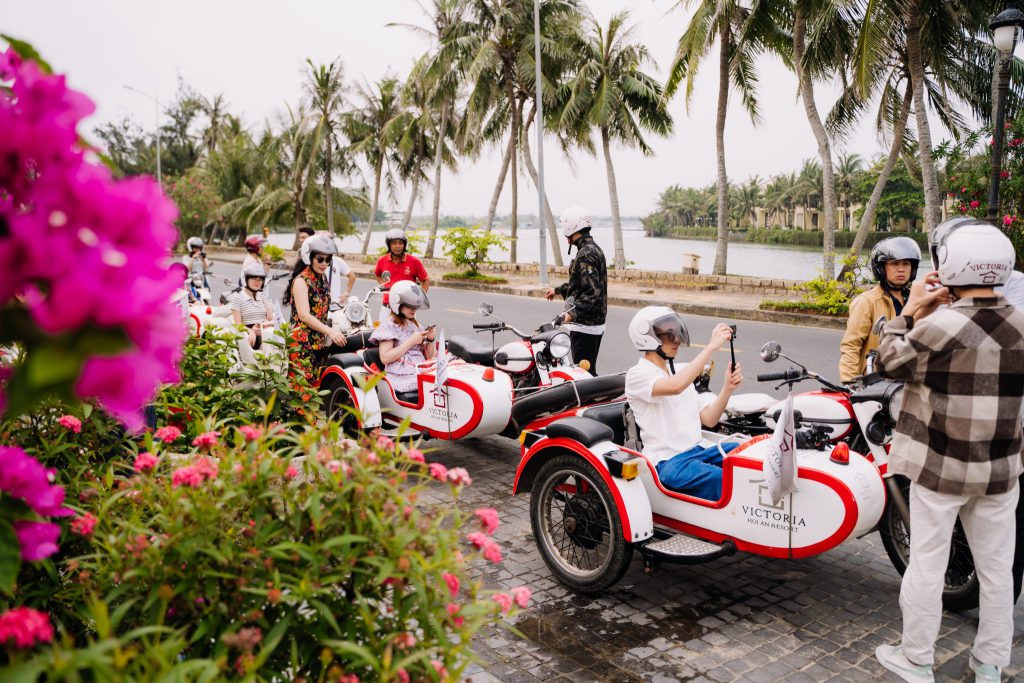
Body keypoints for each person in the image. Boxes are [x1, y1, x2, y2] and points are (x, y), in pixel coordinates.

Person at [873, 219, 1024, 683]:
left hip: (941, 469)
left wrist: (911, 309)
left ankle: (916, 658)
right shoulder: (1022, 321)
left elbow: (886, 361)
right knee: (997, 571)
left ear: (951, 266)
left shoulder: (941, 325)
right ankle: (990, 663)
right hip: (1000, 471)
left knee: (928, 563)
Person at [624, 306, 744, 501]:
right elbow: (675, 386)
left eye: (677, 332)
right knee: (722, 479)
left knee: (748, 455)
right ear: (648, 338)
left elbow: (709, 419)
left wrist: (727, 388)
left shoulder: (680, 371)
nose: (677, 340)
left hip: (701, 449)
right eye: (669, 334)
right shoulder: (637, 375)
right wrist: (710, 347)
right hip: (669, 461)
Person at [838, 236, 920, 383]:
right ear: (881, 268)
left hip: (909, 381)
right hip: (877, 383)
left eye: (906, 264)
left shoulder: (917, 300)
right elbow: (851, 346)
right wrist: (850, 382)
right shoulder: (867, 302)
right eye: (894, 264)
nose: (901, 269)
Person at [544, 207, 608, 375]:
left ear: (571, 227)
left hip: (585, 325)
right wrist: (557, 290)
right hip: (591, 323)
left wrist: (571, 314)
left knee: (583, 373)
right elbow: (579, 284)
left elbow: (592, 292)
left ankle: (592, 393)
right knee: (587, 370)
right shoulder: (592, 249)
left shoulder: (585, 254)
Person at [287, 234, 347, 383]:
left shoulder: (322, 278)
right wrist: (330, 331)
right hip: (302, 342)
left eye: (328, 259)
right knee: (302, 388)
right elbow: (304, 315)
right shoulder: (301, 281)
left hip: (318, 341)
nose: (324, 263)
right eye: (320, 259)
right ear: (309, 257)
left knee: (317, 385)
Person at [369, 279, 436, 401]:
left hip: (419, 369)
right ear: (397, 303)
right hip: (400, 376)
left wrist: (430, 340)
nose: (413, 309)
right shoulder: (389, 325)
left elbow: (428, 356)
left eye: (415, 306)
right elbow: (385, 358)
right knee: (431, 383)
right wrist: (411, 341)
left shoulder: (417, 325)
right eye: (409, 306)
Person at [231, 263, 275, 349]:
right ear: (246, 280)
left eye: (260, 279)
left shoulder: (262, 297)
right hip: (249, 335)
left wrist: (266, 323)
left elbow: (271, 319)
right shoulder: (238, 298)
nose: (257, 282)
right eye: (254, 278)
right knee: (269, 347)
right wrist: (250, 331)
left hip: (264, 331)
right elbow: (237, 324)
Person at [327, 236, 357, 305]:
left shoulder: (337, 261)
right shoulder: (313, 261)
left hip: (335, 303)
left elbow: (352, 276)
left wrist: (346, 294)